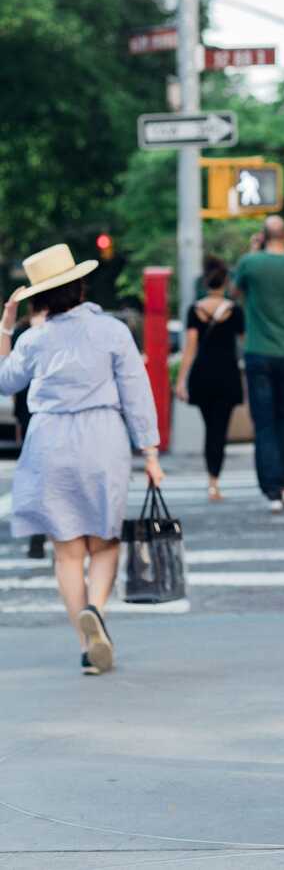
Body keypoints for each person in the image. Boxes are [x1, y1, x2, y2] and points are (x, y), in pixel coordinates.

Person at [0, 243, 163, 675]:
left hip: (49, 439)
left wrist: (5, 328)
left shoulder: (34, 338)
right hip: (101, 437)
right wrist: (149, 452)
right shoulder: (111, 330)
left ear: (39, 296)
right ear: (80, 285)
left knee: (67, 551)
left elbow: (4, 383)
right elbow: (136, 392)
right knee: (104, 541)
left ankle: (86, 644)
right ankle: (96, 609)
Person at [232, 216, 284, 514]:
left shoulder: (249, 263)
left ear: (262, 236)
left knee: (263, 424)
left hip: (258, 352)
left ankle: (272, 490)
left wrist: (253, 252)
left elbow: (235, 294)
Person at [176, 256, 245, 502]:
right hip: (227, 375)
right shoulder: (235, 310)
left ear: (205, 283)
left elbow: (190, 349)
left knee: (209, 429)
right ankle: (215, 481)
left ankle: (211, 482)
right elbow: (244, 344)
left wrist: (181, 380)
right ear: (225, 282)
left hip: (202, 376)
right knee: (220, 430)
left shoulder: (194, 310)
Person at [11, 313, 48, 559]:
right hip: (35, 414)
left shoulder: (25, 333)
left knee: (40, 477)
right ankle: (43, 532)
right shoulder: (26, 334)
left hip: (32, 415)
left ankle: (41, 533)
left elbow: (11, 381)